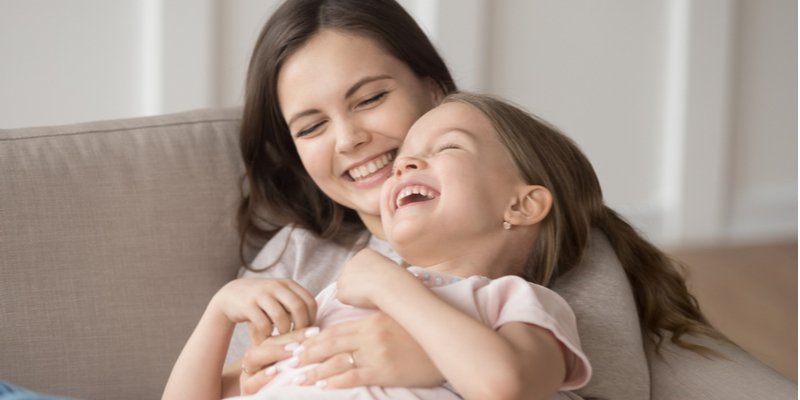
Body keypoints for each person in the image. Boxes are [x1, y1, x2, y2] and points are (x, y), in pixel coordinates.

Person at [172, 0, 725, 398]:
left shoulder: (528, 272)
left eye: (371, 98)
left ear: (433, 90)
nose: (349, 139)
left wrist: (425, 349)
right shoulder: (300, 268)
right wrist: (224, 313)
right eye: (312, 127)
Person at [164, 92, 596, 399]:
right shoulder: (330, 301)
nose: (403, 164)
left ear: (522, 204)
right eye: (405, 156)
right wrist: (219, 314)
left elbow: (508, 387)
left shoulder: (516, 301)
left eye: (446, 147)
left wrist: (390, 285)